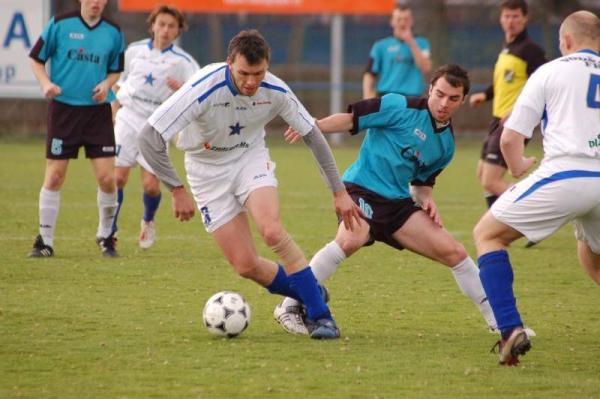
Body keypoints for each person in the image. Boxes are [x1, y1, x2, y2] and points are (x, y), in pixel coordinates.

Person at [137, 29, 363, 339]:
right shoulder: (204, 86)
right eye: (244, 73)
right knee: (245, 264)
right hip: (205, 171)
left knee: (271, 230)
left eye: (258, 73)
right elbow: (149, 136)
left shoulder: (275, 90)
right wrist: (176, 189)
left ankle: (322, 317)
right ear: (229, 63)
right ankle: (311, 292)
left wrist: (339, 191)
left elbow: (313, 135)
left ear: (267, 66)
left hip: (249, 159)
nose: (251, 82)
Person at [275, 65, 497, 336]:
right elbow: (350, 120)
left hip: (397, 205)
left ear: (462, 101)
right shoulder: (398, 105)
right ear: (430, 89)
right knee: (351, 239)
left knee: (455, 253)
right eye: (439, 94)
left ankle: (499, 322)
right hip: (361, 188)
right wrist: (313, 126)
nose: (443, 103)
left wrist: (427, 201)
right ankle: (289, 305)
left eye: (452, 98)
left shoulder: (446, 146)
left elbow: (421, 185)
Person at [473, 11, 600, 366]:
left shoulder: (551, 70)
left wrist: (517, 167)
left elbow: (512, 137)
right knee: (592, 260)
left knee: (487, 234)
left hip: (568, 173)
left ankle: (510, 330)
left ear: (567, 41)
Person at [27, 0, 125, 258]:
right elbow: (36, 59)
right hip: (64, 111)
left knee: (107, 178)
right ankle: (45, 241)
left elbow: (116, 71)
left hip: (97, 113)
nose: (95, 2)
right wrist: (46, 83)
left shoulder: (113, 32)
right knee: (55, 175)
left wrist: (107, 84)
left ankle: (106, 236)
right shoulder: (60, 25)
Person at [111, 5, 200, 249]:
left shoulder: (184, 62)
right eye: (161, 24)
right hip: (129, 117)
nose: (165, 30)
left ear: (178, 30)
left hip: (157, 123)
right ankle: (110, 229)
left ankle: (148, 220)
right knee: (117, 177)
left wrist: (181, 88)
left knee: (151, 185)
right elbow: (118, 82)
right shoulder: (134, 51)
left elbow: (199, 94)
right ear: (152, 25)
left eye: (171, 26)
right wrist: (114, 110)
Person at [469, 0, 546, 219]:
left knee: (490, 180)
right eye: (507, 16)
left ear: (525, 18)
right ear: (501, 18)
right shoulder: (508, 49)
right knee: (482, 174)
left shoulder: (531, 51)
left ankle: (535, 214)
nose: (510, 21)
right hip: (498, 120)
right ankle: (503, 222)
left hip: (513, 123)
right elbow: (503, 83)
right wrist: (484, 95)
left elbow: (542, 86)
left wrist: (518, 111)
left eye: (515, 16)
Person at [362, 5, 432, 99]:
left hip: (412, 97)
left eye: (406, 19)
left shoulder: (422, 43)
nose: (402, 23)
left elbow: (425, 68)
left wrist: (411, 42)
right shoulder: (380, 46)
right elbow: (369, 74)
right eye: (399, 19)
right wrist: (367, 97)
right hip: (386, 96)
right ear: (392, 22)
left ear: (411, 21)